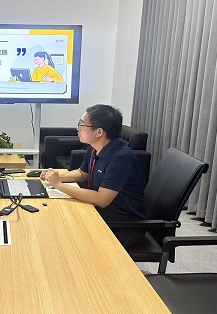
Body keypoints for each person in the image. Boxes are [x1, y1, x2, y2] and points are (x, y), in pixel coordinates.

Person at [40, 104, 146, 247]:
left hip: (121, 225)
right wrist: (54, 176)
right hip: (97, 213)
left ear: (99, 132)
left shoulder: (120, 158)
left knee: (61, 235)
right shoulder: (94, 148)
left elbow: (101, 199)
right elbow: (82, 173)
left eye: (82, 124)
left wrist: (58, 184)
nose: (78, 129)